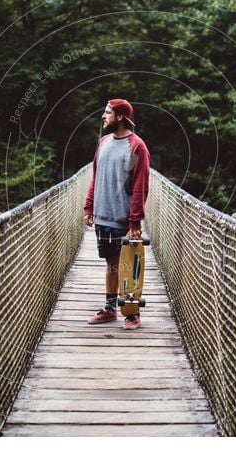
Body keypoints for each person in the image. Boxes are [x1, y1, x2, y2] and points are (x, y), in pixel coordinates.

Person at [83, 98, 150, 330]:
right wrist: (89, 206)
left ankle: (131, 313)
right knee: (111, 263)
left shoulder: (137, 146)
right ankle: (111, 309)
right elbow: (96, 176)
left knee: (127, 265)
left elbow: (141, 186)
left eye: (108, 112)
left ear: (120, 117)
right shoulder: (102, 142)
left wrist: (135, 220)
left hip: (123, 218)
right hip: (103, 216)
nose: (103, 116)